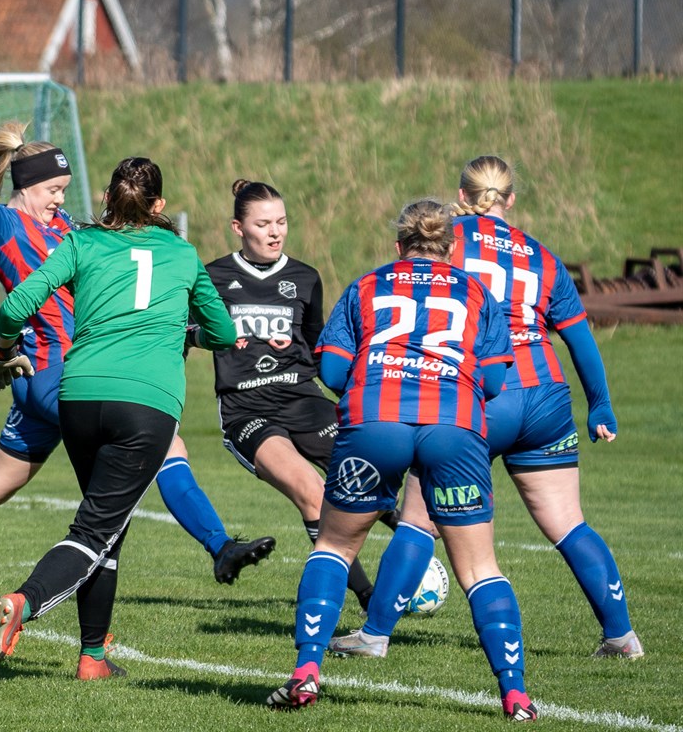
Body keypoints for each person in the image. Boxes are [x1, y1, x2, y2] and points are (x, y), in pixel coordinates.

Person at [0, 71, 272, 607]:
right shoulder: (2, 224)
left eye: (64, 190)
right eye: (53, 190)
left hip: (51, 377)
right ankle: (219, 546)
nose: (60, 199)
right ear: (26, 187)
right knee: (164, 444)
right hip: (54, 373)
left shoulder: (68, 230)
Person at [330, 155, 641, 662]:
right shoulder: (542, 257)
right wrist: (600, 405)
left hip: (480, 394)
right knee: (568, 522)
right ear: (511, 199)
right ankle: (623, 638)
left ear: (461, 195)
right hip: (546, 395)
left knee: (418, 519)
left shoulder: (447, 240)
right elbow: (580, 337)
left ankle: (374, 634)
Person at [266, 199, 538, 721]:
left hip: (376, 420)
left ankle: (307, 669)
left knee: (335, 545)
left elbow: (334, 372)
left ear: (398, 246)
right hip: (454, 425)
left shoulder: (366, 286)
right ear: (450, 249)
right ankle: (515, 694)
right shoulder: (477, 291)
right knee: (480, 568)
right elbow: (494, 381)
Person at [0, 156, 238, 679]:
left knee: (106, 526)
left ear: (107, 199)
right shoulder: (183, 255)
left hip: (78, 397)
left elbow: (14, 308)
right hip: (146, 403)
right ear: (159, 206)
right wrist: (185, 332)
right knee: (95, 530)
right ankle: (25, 603)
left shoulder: (80, 243)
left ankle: (92, 657)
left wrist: (5, 350)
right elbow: (224, 335)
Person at [203, 179, 401, 611]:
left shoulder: (305, 278)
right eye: (263, 224)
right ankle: (370, 599)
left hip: (303, 398)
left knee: (365, 475)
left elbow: (317, 349)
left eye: (281, 222)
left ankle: (410, 542)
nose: (275, 232)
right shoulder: (212, 277)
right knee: (311, 490)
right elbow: (186, 335)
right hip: (247, 409)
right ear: (238, 228)